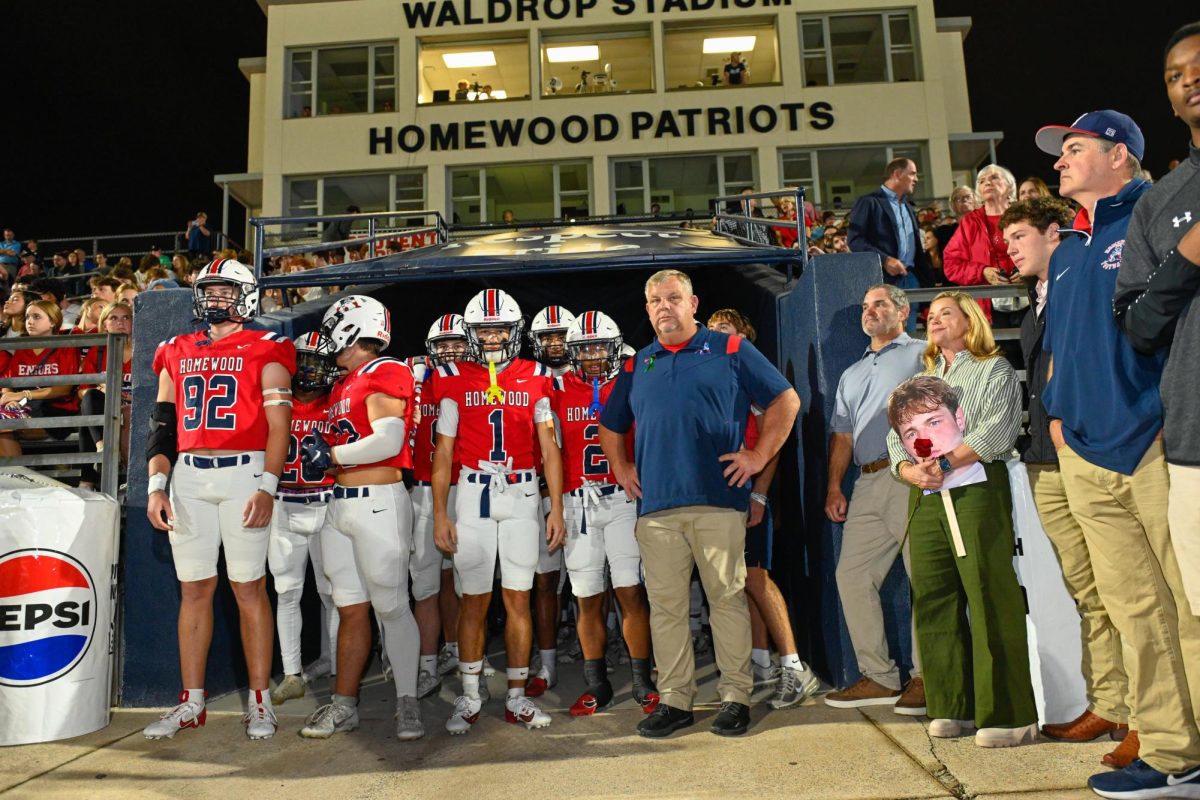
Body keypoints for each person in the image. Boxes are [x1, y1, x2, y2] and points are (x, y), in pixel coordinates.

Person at [1035, 108, 1200, 794]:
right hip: (1084, 452)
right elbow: (1060, 347)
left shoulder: (1155, 212)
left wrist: (1163, 420)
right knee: (1137, 613)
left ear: (1121, 156)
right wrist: (1056, 417)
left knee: (1191, 609)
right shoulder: (1070, 246)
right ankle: (1170, 751)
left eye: (1074, 149)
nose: (1058, 162)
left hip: (1154, 444)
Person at [599, 269, 801, 739]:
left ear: (693, 303)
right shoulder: (637, 364)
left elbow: (785, 401)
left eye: (673, 298)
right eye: (654, 301)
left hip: (716, 500)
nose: (663, 307)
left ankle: (735, 697)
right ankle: (676, 700)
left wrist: (757, 455)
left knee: (725, 601)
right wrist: (621, 468)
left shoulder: (729, 349)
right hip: (657, 510)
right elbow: (611, 425)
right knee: (666, 608)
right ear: (647, 310)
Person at [999, 197, 1133, 750]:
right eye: (1005, 241)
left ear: (1055, 234)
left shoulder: (1081, 279)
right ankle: (1110, 704)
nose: (1009, 249)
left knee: (1119, 588)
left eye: (1019, 237)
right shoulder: (1038, 301)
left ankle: (1147, 718)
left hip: (1081, 451)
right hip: (1042, 462)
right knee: (1087, 590)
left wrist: (1060, 422)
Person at [143, 259, 295, 742]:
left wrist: (268, 485)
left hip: (244, 473)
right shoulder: (174, 349)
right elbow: (161, 428)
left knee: (248, 587)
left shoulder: (268, 346)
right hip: (188, 476)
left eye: (226, 290)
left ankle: (259, 700)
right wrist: (156, 485)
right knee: (194, 589)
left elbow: (279, 427)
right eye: (208, 290)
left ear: (246, 295)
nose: (215, 298)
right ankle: (192, 701)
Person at [1105, 25, 1200, 795]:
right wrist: (1191, 255)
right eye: (1176, 75)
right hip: (1195, 436)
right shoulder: (1164, 201)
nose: (1189, 82)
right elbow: (1137, 324)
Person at [886, 292, 1038, 748]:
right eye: (929, 316)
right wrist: (909, 469)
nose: (933, 321)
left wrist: (947, 463)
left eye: (944, 314)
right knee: (933, 596)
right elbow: (897, 438)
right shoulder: (922, 380)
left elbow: (997, 426)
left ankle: (1009, 713)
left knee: (989, 593)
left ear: (970, 321)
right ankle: (953, 704)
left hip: (975, 489)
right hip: (928, 496)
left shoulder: (993, 368)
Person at [432, 288, 564, 735]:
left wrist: (557, 508)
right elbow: (444, 453)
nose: (491, 338)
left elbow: (550, 448)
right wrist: (439, 513)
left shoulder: (538, 375)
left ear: (514, 331)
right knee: (474, 599)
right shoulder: (453, 375)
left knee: (518, 598)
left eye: (499, 329)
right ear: (471, 333)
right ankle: (470, 695)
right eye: (484, 329)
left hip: (523, 492)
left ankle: (516, 696)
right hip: (472, 493)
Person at [296, 295, 423, 742]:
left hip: (379, 500)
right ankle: (345, 704)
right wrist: (327, 461)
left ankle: (407, 702)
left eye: (334, 329)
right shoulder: (343, 384)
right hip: (341, 504)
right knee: (350, 609)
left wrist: (331, 454)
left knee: (391, 605)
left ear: (354, 328)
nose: (329, 341)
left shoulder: (384, 370)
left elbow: (388, 440)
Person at [707, 308, 819, 710]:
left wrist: (759, 495)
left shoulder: (751, 373)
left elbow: (769, 445)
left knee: (755, 578)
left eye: (725, 328)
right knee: (739, 583)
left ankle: (794, 665)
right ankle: (761, 662)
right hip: (720, 497)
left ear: (743, 334)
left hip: (748, 495)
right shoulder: (714, 376)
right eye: (712, 328)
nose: (716, 334)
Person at [823, 285, 926, 715]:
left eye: (879, 303)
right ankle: (881, 677)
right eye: (865, 306)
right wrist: (833, 486)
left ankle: (926, 677)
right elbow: (842, 436)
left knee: (922, 575)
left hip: (912, 474)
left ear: (902, 311)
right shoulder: (851, 372)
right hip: (865, 480)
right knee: (851, 575)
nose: (870, 311)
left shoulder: (923, 352)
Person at [553, 311, 659, 717]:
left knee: (630, 591)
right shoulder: (558, 387)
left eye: (599, 346)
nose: (593, 355)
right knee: (586, 598)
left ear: (616, 348)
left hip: (622, 499)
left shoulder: (632, 382)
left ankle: (641, 679)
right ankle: (596, 683)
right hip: (578, 501)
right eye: (584, 348)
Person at [263, 333, 340, 706]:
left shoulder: (340, 401)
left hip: (328, 505)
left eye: (315, 362)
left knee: (333, 592)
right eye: (302, 362)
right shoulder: (276, 403)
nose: (307, 370)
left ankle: (336, 661)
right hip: (284, 504)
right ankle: (292, 671)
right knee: (287, 591)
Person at [407, 313, 470, 699]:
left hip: (465, 488)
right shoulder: (413, 379)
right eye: (442, 345)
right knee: (426, 585)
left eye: (456, 344)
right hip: (423, 491)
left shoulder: (478, 379)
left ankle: (464, 657)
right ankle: (427, 664)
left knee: (465, 585)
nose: (449, 352)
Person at [524, 305, 578, 696]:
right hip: (546, 491)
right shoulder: (530, 377)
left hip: (591, 489)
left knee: (610, 580)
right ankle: (547, 661)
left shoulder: (592, 372)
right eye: (548, 336)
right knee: (545, 581)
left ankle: (611, 643)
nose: (556, 343)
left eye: (562, 335)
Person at [848, 158, 932, 331]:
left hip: (910, 279)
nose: (916, 179)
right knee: (884, 336)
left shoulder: (908, 207)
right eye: (912, 173)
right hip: (882, 281)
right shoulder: (869, 202)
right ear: (897, 174)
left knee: (907, 337)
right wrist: (885, 260)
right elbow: (855, 240)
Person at [0, 300, 80, 458]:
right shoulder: (22, 347)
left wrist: (24, 395)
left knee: (4, 424)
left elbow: (63, 389)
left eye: (36, 317)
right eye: (28, 317)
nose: (30, 321)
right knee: (4, 421)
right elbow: (8, 382)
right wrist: (10, 400)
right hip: (25, 408)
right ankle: (15, 474)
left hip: (56, 410)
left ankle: (17, 473)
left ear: (52, 321)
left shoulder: (65, 347)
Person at [943, 164, 1020, 322]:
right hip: (988, 305)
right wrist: (982, 272)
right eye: (981, 181)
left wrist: (1029, 272)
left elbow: (1047, 254)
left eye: (994, 178)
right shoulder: (970, 222)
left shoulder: (1025, 216)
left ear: (1010, 185)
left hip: (1029, 296)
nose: (987, 183)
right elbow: (951, 264)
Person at [77, 301, 134, 489]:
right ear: (103, 325)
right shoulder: (98, 352)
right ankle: (102, 448)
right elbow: (82, 391)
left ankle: (87, 480)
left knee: (88, 420)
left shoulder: (144, 351)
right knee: (91, 398)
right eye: (114, 318)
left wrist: (124, 396)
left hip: (135, 405)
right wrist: (105, 390)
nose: (121, 322)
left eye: (126, 317)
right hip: (106, 407)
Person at [933, 186, 978, 259]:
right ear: (953, 205)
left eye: (968, 196)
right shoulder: (943, 232)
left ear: (975, 201)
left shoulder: (986, 227)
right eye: (958, 198)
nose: (964, 200)